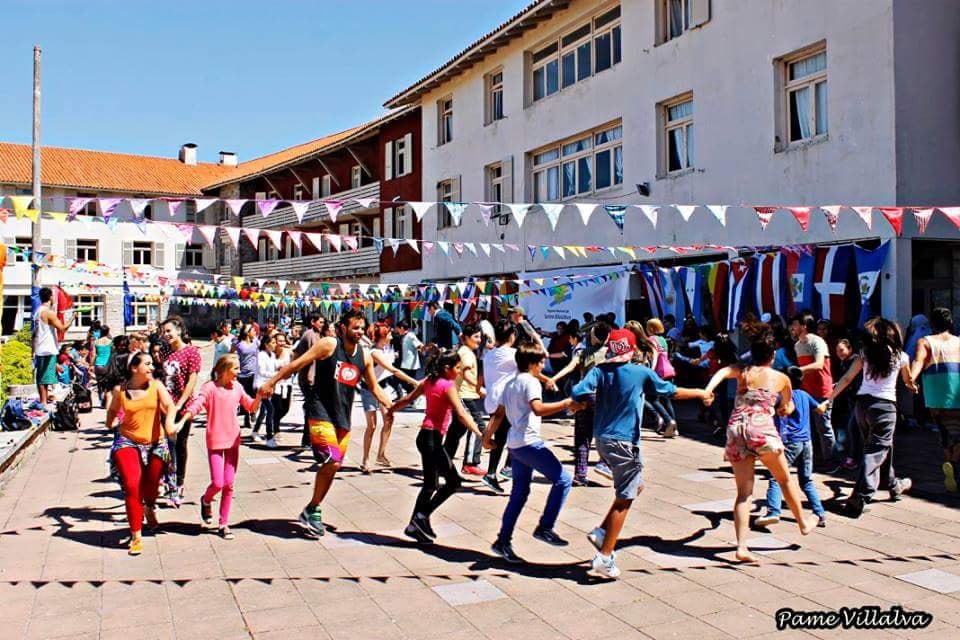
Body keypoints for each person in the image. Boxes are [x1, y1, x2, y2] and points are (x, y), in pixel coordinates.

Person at [572, 329, 712, 578]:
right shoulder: (640, 373)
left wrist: (581, 402)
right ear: (632, 349)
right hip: (626, 442)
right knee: (625, 499)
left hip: (603, 439)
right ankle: (604, 557)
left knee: (635, 487)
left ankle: (602, 532)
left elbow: (578, 391)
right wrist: (701, 393)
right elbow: (673, 392)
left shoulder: (599, 371)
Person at [259, 310, 393, 535]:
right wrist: (271, 382)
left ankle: (313, 508)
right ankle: (313, 509)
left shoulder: (365, 355)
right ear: (343, 328)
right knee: (331, 459)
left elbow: (373, 386)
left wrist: (389, 404)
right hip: (319, 410)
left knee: (334, 465)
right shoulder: (330, 345)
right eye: (355, 327)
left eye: (362, 328)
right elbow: (297, 363)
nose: (359, 332)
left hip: (343, 417)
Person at [704, 327, 819, 563]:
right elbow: (787, 407)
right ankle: (803, 523)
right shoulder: (781, 378)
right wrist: (784, 408)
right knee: (785, 480)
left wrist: (708, 390)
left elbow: (723, 372)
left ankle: (742, 547)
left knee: (744, 494)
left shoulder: (743, 371)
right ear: (773, 355)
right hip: (762, 430)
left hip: (737, 429)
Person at [484, 344, 582, 564]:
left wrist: (486, 437)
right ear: (531, 363)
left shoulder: (510, 383)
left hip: (515, 445)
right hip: (529, 444)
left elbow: (498, 415)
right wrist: (567, 403)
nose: (542, 366)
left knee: (519, 494)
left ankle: (503, 541)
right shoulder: (530, 382)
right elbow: (538, 409)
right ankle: (545, 527)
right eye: (540, 362)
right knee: (564, 480)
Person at [819, 317, 915, 516]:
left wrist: (829, 399)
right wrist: (912, 385)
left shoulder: (865, 353)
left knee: (880, 447)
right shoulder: (901, 356)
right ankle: (860, 496)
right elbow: (908, 380)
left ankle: (892, 483)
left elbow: (846, 379)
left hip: (862, 406)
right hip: (885, 407)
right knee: (876, 450)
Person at [391, 350, 482, 543]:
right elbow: (462, 414)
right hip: (431, 439)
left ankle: (414, 525)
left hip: (425, 438)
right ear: (446, 368)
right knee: (454, 482)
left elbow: (408, 399)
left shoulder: (428, 381)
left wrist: (391, 409)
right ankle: (420, 517)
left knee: (430, 484)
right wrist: (481, 434)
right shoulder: (448, 386)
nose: (459, 371)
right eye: (457, 368)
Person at [179, 354, 265, 539]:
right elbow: (197, 404)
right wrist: (184, 418)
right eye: (235, 368)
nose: (239, 372)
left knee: (229, 485)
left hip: (233, 440)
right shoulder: (209, 388)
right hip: (215, 441)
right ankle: (206, 499)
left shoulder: (237, 387)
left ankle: (223, 524)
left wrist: (259, 396)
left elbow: (251, 407)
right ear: (224, 369)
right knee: (218, 482)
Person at [105, 351, 179, 555]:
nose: (151, 367)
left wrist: (170, 422)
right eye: (146, 364)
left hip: (156, 442)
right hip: (127, 441)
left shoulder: (157, 386)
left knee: (152, 485)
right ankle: (136, 535)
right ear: (133, 368)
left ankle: (149, 506)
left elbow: (169, 406)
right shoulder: (121, 390)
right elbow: (112, 411)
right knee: (132, 485)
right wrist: (110, 422)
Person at [755, 367, 827, 529]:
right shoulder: (804, 395)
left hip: (790, 442)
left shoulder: (782, 397)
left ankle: (773, 512)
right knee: (806, 480)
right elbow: (820, 410)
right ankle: (820, 513)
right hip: (807, 443)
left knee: (776, 477)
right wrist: (826, 403)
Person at [550, 321, 610, 486]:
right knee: (604, 433)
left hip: (584, 396)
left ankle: (580, 475)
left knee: (582, 437)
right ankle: (604, 463)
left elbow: (570, 367)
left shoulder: (583, 353)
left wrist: (553, 378)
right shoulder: (611, 354)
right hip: (604, 398)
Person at [909, 307, 960, 492]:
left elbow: (919, 361)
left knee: (945, 433)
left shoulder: (925, 341)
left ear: (932, 324)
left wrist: (911, 379)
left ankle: (950, 463)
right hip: (958, 393)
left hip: (936, 395)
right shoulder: (958, 342)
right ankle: (954, 463)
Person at [360, 323, 417, 473]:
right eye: (390, 334)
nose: (392, 336)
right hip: (369, 389)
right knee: (371, 426)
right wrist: (414, 382)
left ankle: (381, 455)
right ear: (383, 337)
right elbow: (392, 370)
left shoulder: (383, 349)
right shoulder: (375, 353)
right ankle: (365, 459)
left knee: (389, 419)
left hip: (382, 388)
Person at [161, 315, 202, 504]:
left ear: (178, 331)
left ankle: (179, 482)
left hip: (182, 405)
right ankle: (168, 481)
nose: (166, 335)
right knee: (165, 444)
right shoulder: (164, 352)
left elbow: (191, 381)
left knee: (180, 444)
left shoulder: (191, 352)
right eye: (164, 332)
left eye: (169, 331)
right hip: (164, 405)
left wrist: (179, 404)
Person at [791, 312, 838, 469]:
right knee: (807, 427)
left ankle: (832, 462)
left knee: (823, 428)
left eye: (795, 324)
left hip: (822, 391)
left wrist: (798, 370)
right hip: (806, 391)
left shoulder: (817, 342)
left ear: (804, 326)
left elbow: (818, 364)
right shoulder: (797, 345)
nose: (792, 328)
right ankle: (810, 459)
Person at [480, 320, 520, 493]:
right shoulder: (513, 355)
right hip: (507, 402)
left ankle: (493, 473)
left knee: (503, 436)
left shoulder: (488, 355)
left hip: (493, 401)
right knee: (517, 434)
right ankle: (506, 468)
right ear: (512, 336)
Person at [443, 324, 486, 476]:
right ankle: (470, 463)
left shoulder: (464, 351)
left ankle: (442, 461)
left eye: (480, 337)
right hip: (465, 395)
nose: (479, 340)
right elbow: (467, 374)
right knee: (478, 426)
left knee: (457, 430)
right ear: (467, 338)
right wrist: (480, 388)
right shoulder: (467, 353)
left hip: (462, 395)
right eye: (475, 337)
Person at [34, 287, 73, 406]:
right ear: (50, 297)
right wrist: (72, 318)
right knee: (45, 378)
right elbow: (62, 328)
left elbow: (34, 333)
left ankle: (43, 400)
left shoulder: (37, 311)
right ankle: (44, 401)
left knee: (41, 376)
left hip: (40, 347)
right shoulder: (48, 312)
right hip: (48, 348)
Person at [292, 314, 326, 447]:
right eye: (320, 322)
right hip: (309, 379)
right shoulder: (309, 335)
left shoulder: (318, 335)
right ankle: (307, 440)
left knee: (312, 408)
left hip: (315, 378)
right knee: (313, 409)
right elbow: (298, 353)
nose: (322, 324)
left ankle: (310, 438)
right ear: (313, 322)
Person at [252, 333, 279, 447]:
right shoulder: (261, 355)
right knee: (270, 410)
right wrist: (277, 374)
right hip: (260, 386)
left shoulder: (272, 355)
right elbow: (262, 372)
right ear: (266, 345)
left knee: (263, 411)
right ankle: (269, 437)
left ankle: (255, 431)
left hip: (269, 386)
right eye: (272, 343)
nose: (275, 344)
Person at [233, 326, 259, 431]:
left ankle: (253, 412)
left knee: (254, 395)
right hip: (242, 374)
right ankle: (246, 415)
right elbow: (231, 353)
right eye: (253, 330)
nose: (255, 332)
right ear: (247, 332)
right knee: (244, 396)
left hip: (254, 373)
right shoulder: (238, 344)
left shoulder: (256, 342)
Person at [272, 332, 293, 436]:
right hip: (274, 385)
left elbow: (295, 364)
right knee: (278, 407)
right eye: (279, 341)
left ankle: (273, 421)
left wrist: (291, 372)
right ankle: (276, 430)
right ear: (274, 342)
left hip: (287, 383)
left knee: (285, 408)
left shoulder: (289, 352)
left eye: (283, 340)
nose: (281, 343)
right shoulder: (270, 353)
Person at [93, 325, 114, 407]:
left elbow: (94, 355)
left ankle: (102, 402)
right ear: (108, 331)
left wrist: (91, 365)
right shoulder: (110, 342)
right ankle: (107, 400)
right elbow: (112, 354)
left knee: (99, 385)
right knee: (108, 384)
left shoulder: (96, 342)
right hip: (108, 365)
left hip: (98, 365)